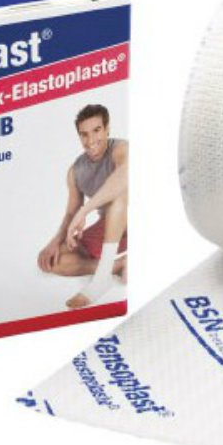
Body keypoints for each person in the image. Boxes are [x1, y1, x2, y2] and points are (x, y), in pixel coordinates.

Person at [37, 103, 128, 309]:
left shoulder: (121, 149)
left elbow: (124, 176)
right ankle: (116, 265)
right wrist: (54, 241)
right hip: (112, 228)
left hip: (141, 219)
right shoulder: (76, 171)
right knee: (54, 261)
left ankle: (101, 279)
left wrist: (85, 211)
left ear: (107, 129)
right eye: (84, 134)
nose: (91, 140)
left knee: (120, 193)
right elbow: (71, 211)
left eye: (96, 130)